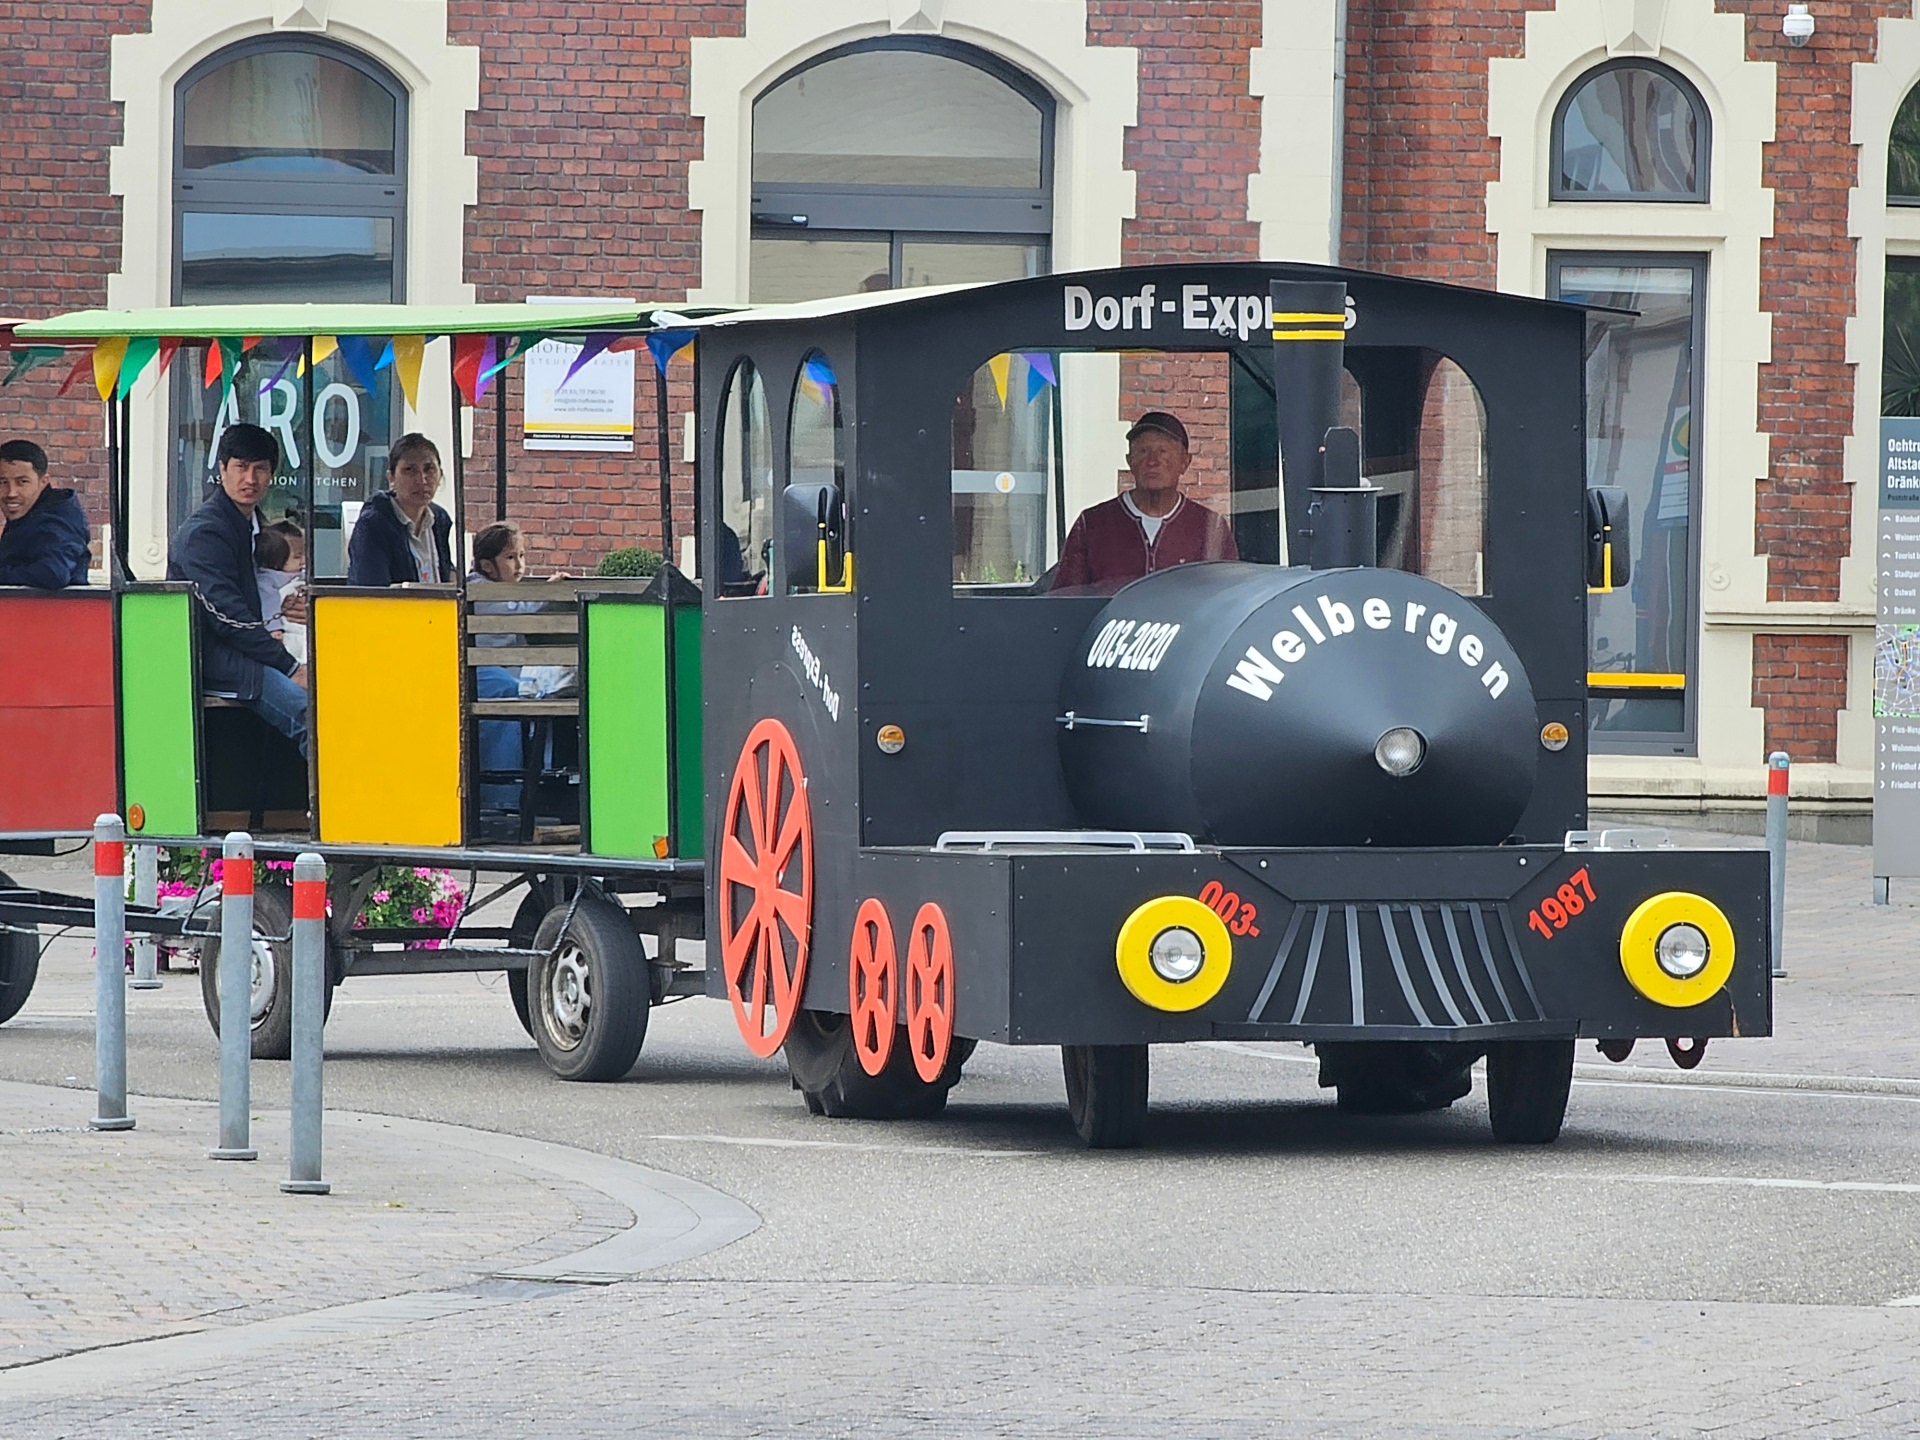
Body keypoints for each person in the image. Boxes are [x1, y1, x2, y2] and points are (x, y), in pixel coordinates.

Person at [167, 423, 307, 753]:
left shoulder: (257, 527)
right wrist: (288, 666)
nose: (250, 479)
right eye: (241, 467)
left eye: (260, 469)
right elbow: (227, 617)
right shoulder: (206, 533)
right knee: (309, 715)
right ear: (222, 469)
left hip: (257, 652)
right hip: (222, 662)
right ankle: (331, 804)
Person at [1051, 411, 1237, 592]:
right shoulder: (1092, 524)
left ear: (1184, 462)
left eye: (1163, 452)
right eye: (1143, 451)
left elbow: (1230, 598)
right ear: (1129, 461)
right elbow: (1065, 600)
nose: (1152, 461)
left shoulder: (1209, 527)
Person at [347, 432, 454, 586]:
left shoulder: (440, 519)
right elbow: (372, 590)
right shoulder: (373, 525)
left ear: (440, 474)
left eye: (429, 469)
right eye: (410, 470)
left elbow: (444, 570)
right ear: (391, 478)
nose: (422, 479)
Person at [0, 439, 90, 588]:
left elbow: (53, 573)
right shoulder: (30, 514)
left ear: (43, 482)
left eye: (22, 482)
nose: (11, 492)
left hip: (55, 610)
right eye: (2, 482)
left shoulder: (55, 521)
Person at [255, 520, 307, 664]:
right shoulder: (268, 580)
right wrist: (274, 629)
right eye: (297, 557)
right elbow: (268, 602)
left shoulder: (300, 575)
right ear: (277, 559)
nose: (303, 561)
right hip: (287, 631)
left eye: (304, 554)